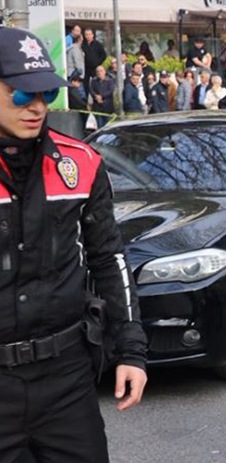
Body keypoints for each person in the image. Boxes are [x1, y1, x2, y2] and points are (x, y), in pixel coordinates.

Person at [0, 26, 147, 462]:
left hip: (66, 379)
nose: (37, 106)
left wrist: (132, 349)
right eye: (21, 95)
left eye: (46, 93)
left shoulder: (81, 163)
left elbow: (109, 258)